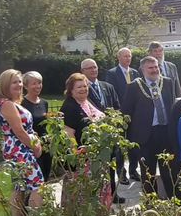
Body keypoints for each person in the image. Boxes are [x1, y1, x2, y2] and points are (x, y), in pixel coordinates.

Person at [0, 69, 43, 216]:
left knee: (19, 186)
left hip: (16, 147)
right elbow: (19, 131)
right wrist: (34, 145)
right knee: (38, 183)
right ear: (5, 85)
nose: (19, 85)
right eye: (14, 82)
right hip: (19, 148)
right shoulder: (7, 104)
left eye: (19, 81)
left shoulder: (10, 103)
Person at [123, 56, 176, 197]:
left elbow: (173, 107)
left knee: (169, 172)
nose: (154, 70)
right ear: (143, 70)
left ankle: (173, 203)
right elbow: (127, 113)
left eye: (156, 67)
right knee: (148, 174)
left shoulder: (168, 83)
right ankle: (151, 207)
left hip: (165, 134)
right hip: (145, 137)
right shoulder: (134, 87)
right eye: (150, 68)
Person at [59, 73, 113, 206]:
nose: (83, 89)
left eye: (85, 86)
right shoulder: (69, 107)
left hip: (96, 156)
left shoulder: (86, 101)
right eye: (79, 87)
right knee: (83, 194)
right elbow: (69, 134)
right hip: (82, 159)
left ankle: (101, 215)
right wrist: (77, 156)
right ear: (71, 89)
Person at [81, 59, 126, 202]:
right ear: (83, 71)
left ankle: (112, 194)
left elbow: (117, 107)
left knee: (111, 165)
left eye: (95, 67)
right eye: (89, 68)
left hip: (109, 134)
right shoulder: (81, 88)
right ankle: (96, 195)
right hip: (92, 135)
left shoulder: (107, 86)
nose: (93, 70)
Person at [106, 48, 140, 184]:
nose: (128, 58)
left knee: (133, 144)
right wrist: (120, 112)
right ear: (118, 57)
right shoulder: (112, 73)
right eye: (125, 56)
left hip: (134, 115)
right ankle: (121, 174)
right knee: (120, 146)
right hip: (119, 115)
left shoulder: (135, 72)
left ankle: (133, 170)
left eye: (130, 56)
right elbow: (112, 94)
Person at [21, 71, 51, 182]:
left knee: (46, 176)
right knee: (35, 180)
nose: (38, 86)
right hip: (31, 144)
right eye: (34, 83)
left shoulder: (44, 103)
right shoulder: (21, 104)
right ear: (25, 86)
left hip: (45, 145)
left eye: (39, 83)